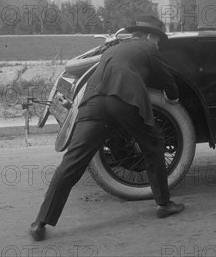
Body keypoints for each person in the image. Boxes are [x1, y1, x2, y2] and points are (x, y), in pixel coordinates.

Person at [30, 15, 184, 241]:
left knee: (73, 161)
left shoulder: (114, 50)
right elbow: (166, 78)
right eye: (158, 40)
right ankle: (164, 204)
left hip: (92, 102)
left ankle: (40, 222)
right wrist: (173, 95)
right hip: (124, 97)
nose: (158, 45)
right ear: (151, 36)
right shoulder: (149, 48)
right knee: (154, 145)